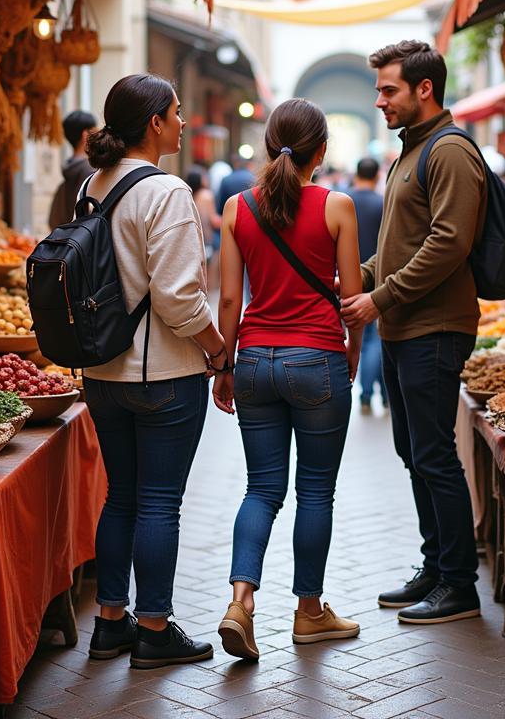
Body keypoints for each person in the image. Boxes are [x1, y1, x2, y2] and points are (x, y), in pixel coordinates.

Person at [81, 74, 233, 670]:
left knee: (121, 496)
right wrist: (218, 349)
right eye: (176, 112)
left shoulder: (92, 186)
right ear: (153, 124)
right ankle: (153, 628)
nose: (183, 122)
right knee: (159, 503)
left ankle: (110, 623)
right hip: (163, 374)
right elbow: (177, 298)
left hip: (102, 373)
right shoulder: (165, 192)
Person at [340, 40, 486, 625]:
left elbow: (449, 242)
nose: (379, 100)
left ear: (424, 88)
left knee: (434, 455)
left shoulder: (448, 151)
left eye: (388, 89)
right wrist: (357, 280)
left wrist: (381, 296)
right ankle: (436, 565)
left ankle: (459, 585)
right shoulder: (411, 151)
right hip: (406, 329)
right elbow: (398, 248)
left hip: (434, 328)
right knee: (414, 452)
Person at [214, 99, 363, 660]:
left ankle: (240, 603)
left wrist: (223, 366)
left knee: (261, 489)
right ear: (320, 152)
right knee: (315, 491)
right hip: (317, 360)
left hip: (254, 361)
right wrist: (352, 355)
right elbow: (351, 301)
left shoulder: (236, 208)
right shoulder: (338, 207)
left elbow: (229, 298)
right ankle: (308, 613)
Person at [347, 157, 386, 414]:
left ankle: (369, 394)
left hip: (347, 276)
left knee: (358, 333)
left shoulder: (342, 200)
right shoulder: (382, 203)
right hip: (376, 275)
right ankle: (374, 394)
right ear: (376, 176)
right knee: (374, 338)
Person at [47, 110, 97, 229]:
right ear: (86, 135)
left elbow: (53, 220)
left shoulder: (69, 169)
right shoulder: (90, 171)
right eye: (96, 131)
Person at [185, 166, 221, 281]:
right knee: (209, 277)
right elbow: (213, 220)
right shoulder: (206, 195)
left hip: (193, 239)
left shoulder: (188, 195)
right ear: (200, 179)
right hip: (208, 239)